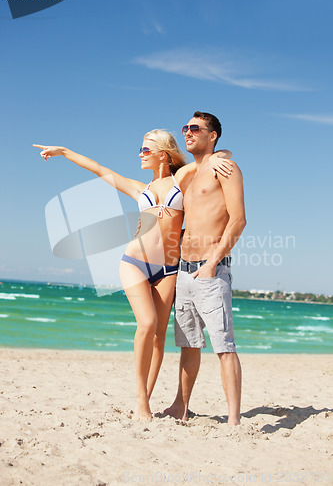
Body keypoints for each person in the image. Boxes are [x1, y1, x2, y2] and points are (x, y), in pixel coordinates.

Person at [34, 130, 233, 421]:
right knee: (147, 323)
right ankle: (141, 401)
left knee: (159, 337)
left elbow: (221, 156)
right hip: (135, 262)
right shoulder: (139, 189)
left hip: (168, 268)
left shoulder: (182, 179)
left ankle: (147, 400)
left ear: (162, 155)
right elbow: (101, 170)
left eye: (145, 149)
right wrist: (64, 151)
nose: (140, 154)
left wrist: (218, 158)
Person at [164, 111, 246, 427]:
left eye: (195, 128)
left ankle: (234, 420)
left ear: (212, 135)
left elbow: (238, 220)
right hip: (183, 272)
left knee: (224, 347)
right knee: (188, 345)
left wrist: (212, 262)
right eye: (185, 127)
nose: (188, 132)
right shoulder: (189, 174)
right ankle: (180, 407)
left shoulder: (225, 168)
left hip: (210, 271)